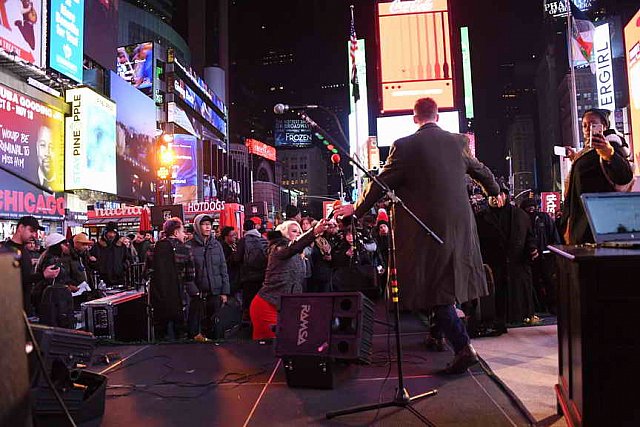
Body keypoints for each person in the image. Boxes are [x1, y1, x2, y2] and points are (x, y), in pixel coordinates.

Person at [334, 97, 500, 374]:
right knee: (447, 279)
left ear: (415, 118)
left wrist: (357, 211)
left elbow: (378, 185)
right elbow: (482, 171)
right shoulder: (459, 142)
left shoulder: (404, 146)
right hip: (460, 227)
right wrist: (494, 192)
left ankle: (463, 347)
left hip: (424, 229)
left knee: (435, 285)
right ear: (438, 115)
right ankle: (436, 335)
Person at [560, 109, 634, 244]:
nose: (588, 129)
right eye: (585, 125)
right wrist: (575, 158)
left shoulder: (610, 145)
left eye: (593, 124)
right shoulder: (587, 152)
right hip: (584, 223)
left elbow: (624, 175)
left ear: (604, 126)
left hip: (597, 224)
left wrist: (608, 153)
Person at [250, 219, 328, 341]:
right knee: (267, 351)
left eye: (299, 232)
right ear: (284, 233)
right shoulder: (278, 248)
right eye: (294, 231)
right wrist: (314, 232)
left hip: (286, 307)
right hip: (268, 305)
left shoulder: (298, 253)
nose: (298, 234)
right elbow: (293, 247)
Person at [476, 189, 538, 333]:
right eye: (491, 196)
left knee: (516, 301)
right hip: (492, 265)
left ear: (505, 196)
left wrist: (532, 248)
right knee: (495, 298)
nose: (494, 199)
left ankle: (516, 319)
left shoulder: (520, 215)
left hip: (516, 264)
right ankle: (496, 321)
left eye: (497, 195)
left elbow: (529, 237)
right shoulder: (480, 217)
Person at [145, 218, 196, 341]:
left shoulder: (153, 248)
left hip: (158, 297)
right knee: (180, 333)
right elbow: (190, 275)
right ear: (176, 232)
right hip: (179, 296)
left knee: (160, 333)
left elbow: (146, 271)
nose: (184, 234)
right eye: (183, 231)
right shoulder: (185, 249)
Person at [1, 216, 59, 315]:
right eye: (31, 231)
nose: (34, 235)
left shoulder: (24, 250)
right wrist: (43, 275)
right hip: (12, 310)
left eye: (35, 232)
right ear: (20, 228)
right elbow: (14, 281)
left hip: (25, 306)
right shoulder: (7, 251)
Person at [187, 214, 230, 341]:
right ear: (197, 226)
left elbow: (223, 268)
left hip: (215, 292)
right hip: (198, 295)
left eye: (209, 225)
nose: (208, 227)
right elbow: (185, 272)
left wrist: (224, 291)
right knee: (196, 329)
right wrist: (193, 291)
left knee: (215, 326)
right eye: (204, 224)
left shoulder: (216, 245)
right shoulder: (189, 246)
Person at [520, 198, 561, 313]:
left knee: (549, 282)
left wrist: (554, 251)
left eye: (532, 207)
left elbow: (553, 234)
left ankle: (552, 306)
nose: (531, 209)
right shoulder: (522, 220)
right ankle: (539, 306)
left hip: (545, 256)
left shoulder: (544, 218)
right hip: (530, 258)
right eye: (528, 207)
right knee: (534, 282)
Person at [36, 234, 74, 328]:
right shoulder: (52, 260)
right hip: (54, 302)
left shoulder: (51, 258)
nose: (67, 246)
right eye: (64, 244)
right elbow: (52, 281)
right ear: (58, 245)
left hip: (52, 300)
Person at [234, 219, 268, 313]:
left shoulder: (243, 241)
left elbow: (237, 258)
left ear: (244, 229)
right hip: (262, 276)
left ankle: (249, 321)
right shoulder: (263, 239)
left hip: (247, 277)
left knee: (249, 302)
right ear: (254, 227)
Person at [90, 222, 131, 287]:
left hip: (119, 279)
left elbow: (128, 259)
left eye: (114, 233)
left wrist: (122, 267)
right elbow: (91, 261)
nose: (112, 235)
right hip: (103, 281)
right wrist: (99, 267)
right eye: (110, 232)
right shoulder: (97, 246)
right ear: (105, 233)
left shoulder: (121, 246)